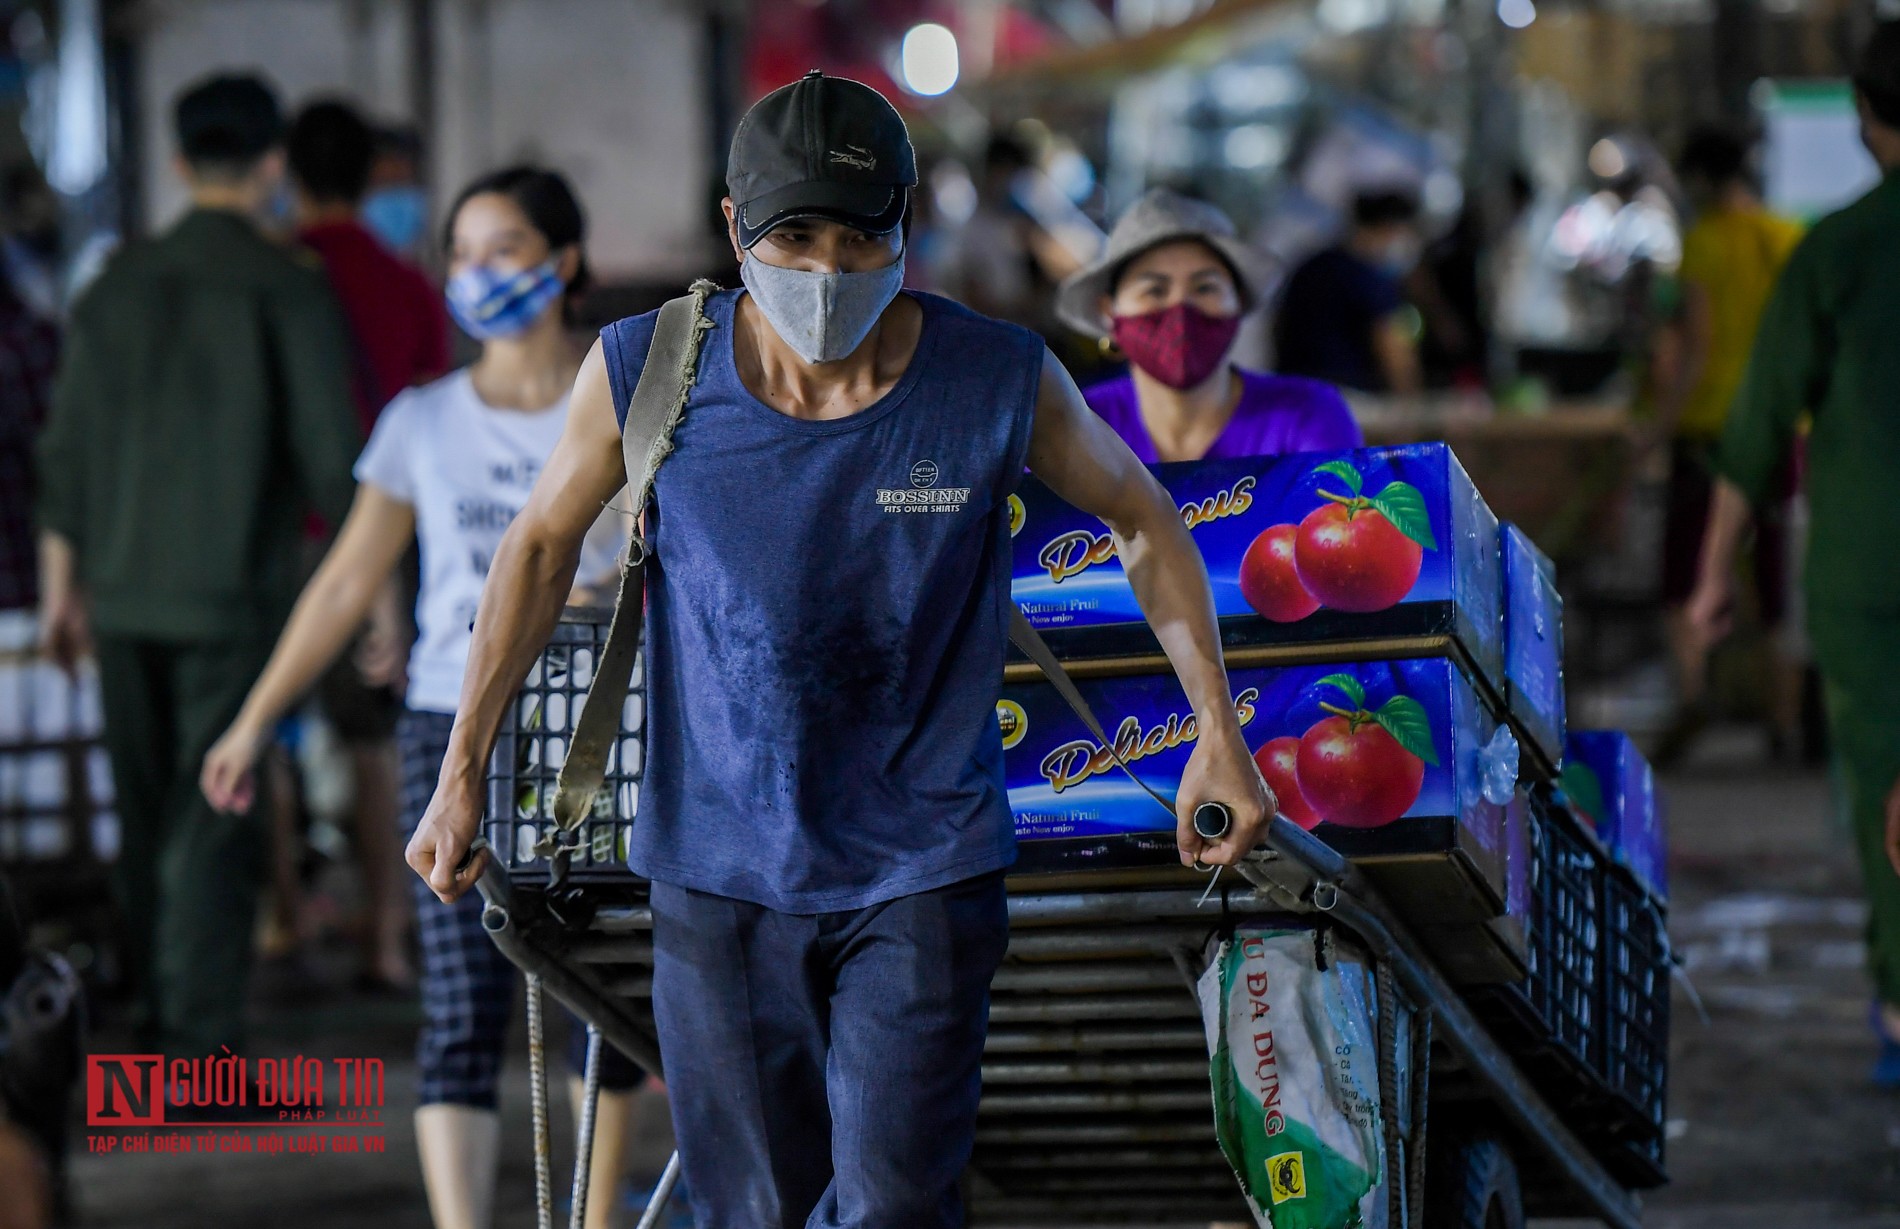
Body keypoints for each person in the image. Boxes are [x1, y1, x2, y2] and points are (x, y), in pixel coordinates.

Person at [403, 71, 1273, 1227]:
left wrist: (1219, 734)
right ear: (734, 229)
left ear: (905, 229)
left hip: (921, 864)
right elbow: (537, 549)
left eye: (862, 239)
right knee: (753, 1208)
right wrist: (461, 772)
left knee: (893, 1204)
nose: (826, 271)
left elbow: (1146, 519)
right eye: (793, 236)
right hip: (715, 873)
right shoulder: (648, 370)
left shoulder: (996, 379)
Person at [199, 167, 654, 1229]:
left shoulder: (632, 405)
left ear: (565, 260)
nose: (477, 273)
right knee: (460, 1001)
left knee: (608, 995)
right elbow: (346, 580)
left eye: (503, 248)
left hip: (600, 728)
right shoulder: (421, 420)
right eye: (462, 252)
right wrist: (254, 717)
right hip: (450, 722)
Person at [35, 73, 360, 1060]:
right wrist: (376, 600)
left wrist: (61, 590)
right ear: (271, 164)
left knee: (145, 811)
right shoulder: (287, 286)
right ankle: (199, 1040)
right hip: (231, 597)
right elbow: (339, 461)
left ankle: (152, 1020)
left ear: (177, 163)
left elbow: (69, 453)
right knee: (212, 815)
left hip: (121, 592)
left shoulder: (111, 285)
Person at [1685, 23, 1900, 1090]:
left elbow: (1761, 428)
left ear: (1868, 121)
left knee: (1888, 794)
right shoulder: (1794, 241)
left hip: (1874, 571)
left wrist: (1712, 578)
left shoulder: (1835, 247)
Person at [286, 97, 453, 989]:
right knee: (376, 741)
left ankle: (282, 920)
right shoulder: (408, 285)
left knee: (272, 741)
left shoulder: (275, 277)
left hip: (283, 543)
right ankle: (389, 937)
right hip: (385, 543)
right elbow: (432, 412)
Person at [1649, 127, 1804, 765]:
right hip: (1780, 429)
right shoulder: (1785, 236)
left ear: (1704, 179)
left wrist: (1658, 427)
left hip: (1710, 431)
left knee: (1684, 575)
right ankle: (1785, 721)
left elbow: (1697, 350)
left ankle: (1692, 693)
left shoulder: (1704, 243)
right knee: (1778, 579)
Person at [1054, 187, 1362, 463]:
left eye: (1205, 288)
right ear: (1109, 312)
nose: (1180, 310)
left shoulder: (1307, 415)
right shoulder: (1072, 428)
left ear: (1239, 302)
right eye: (1155, 290)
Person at [1274, 188, 1425, 395]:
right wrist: (1412, 409)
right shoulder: (1369, 278)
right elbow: (1393, 350)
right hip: (1348, 401)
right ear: (1389, 229)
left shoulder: (1312, 266)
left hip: (1293, 395)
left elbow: (1278, 328)